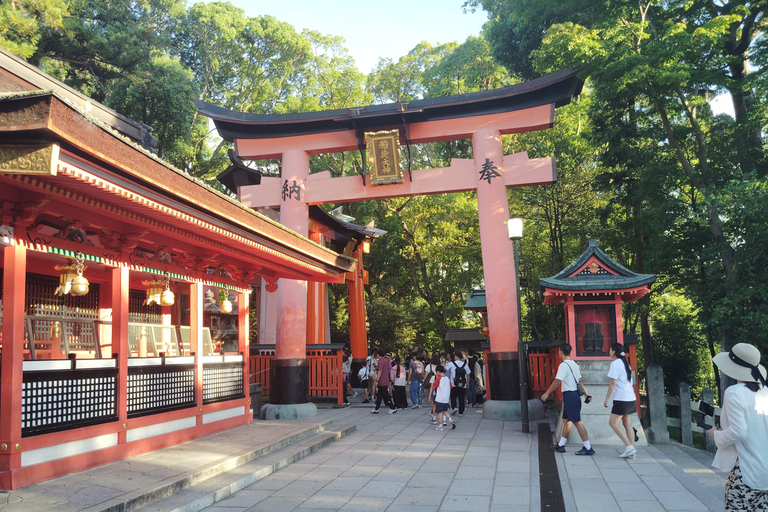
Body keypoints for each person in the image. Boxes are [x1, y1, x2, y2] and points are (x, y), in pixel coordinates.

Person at [707, 343, 768, 511]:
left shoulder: (734, 392)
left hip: (747, 472)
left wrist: (716, 434)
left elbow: (738, 431)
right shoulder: (765, 391)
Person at [541, 343, 594, 455]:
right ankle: (561, 445)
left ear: (560, 351)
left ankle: (588, 447)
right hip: (574, 395)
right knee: (566, 420)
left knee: (577, 421)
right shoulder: (574, 364)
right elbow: (579, 381)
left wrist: (546, 393)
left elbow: (557, 381)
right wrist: (586, 393)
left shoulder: (563, 365)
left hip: (570, 395)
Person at [603, 343, 637, 458]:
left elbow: (613, 382)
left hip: (621, 398)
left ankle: (629, 447)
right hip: (630, 397)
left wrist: (607, 398)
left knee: (613, 423)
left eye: (610, 349)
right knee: (628, 424)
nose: (609, 351)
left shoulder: (615, 363)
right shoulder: (626, 363)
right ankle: (631, 450)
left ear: (614, 351)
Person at [446, 352, 471, 416]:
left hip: (454, 384)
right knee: (461, 398)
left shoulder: (451, 364)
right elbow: (468, 373)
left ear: (456, 356)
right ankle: (461, 412)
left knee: (453, 396)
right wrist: (467, 382)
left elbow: (445, 369)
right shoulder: (464, 364)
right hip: (463, 384)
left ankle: (454, 407)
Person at [432, 365, 456, 431]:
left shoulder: (439, 378)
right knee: (445, 411)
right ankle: (451, 420)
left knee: (439, 412)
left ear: (438, 372)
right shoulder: (447, 378)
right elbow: (450, 387)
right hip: (446, 398)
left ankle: (440, 425)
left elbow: (434, 385)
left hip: (440, 398)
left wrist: (437, 378)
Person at [424, 354, 440, 424]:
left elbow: (425, 376)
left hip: (431, 385)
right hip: (439, 385)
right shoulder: (440, 367)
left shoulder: (428, 366)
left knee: (432, 401)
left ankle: (433, 414)